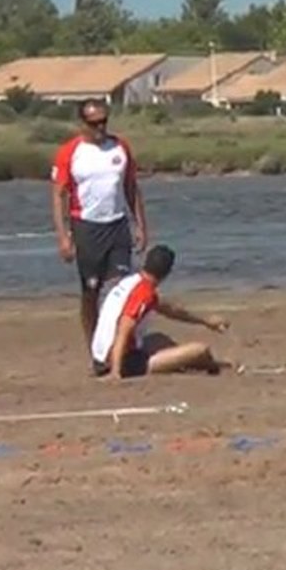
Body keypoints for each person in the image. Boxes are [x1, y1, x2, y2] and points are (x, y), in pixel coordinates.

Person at [51, 99, 149, 350]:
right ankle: (95, 347)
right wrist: (63, 236)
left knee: (120, 287)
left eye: (104, 122)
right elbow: (59, 194)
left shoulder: (120, 147)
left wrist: (140, 226)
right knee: (91, 291)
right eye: (94, 123)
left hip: (117, 225)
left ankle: (121, 345)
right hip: (87, 227)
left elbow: (131, 188)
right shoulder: (70, 152)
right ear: (83, 123)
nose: (100, 128)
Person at [91, 244, 230, 380]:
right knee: (201, 350)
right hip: (120, 361)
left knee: (160, 339)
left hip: (99, 357)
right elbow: (124, 326)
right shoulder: (144, 293)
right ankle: (205, 365)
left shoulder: (131, 282)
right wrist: (116, 371)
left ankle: (177, 362)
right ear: (167, 273)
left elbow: (170, 310)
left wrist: (205, 322)